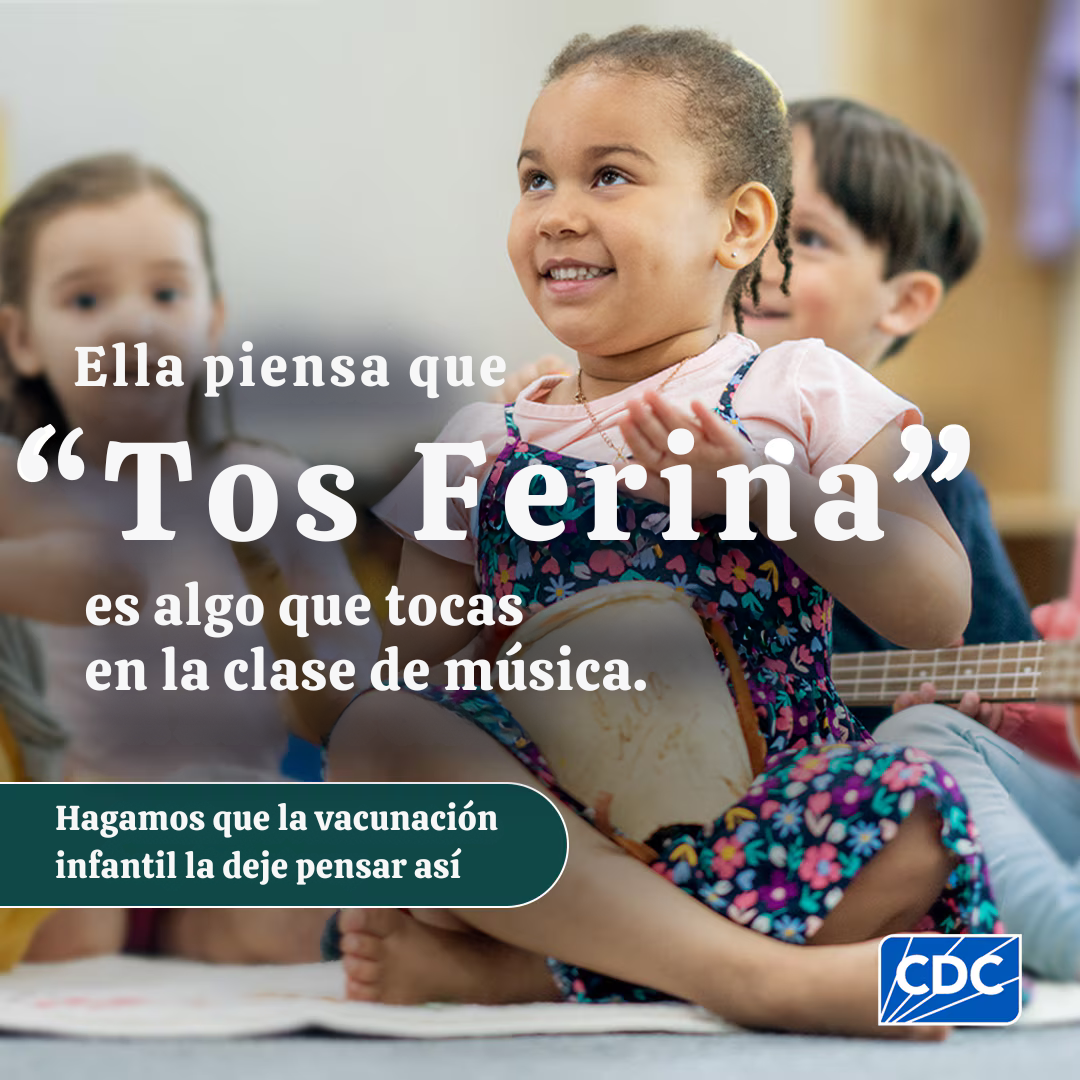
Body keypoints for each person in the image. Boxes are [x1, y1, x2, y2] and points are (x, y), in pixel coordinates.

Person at [322, 27, 1002, 1038]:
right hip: (557, 831)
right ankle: (758, 980)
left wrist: (767, 491)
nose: (557, 214)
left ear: (737, 227)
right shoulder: (484, 435)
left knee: (923, 819)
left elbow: (936, 609)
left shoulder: (800, 389)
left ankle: (537, 978)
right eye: (535, 179)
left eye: (608, 176)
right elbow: (419, 659)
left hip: (769, 818)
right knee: (376, 736)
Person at [0, 153, 379, 964]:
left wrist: (281, 609)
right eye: (87, 298)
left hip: (225, 829)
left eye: (166, 293)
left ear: (211, 321)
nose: (133, 323)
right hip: (62, 837)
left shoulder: (271, 486)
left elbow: (347, 722)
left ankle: (199, 938)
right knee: (66, 921)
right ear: (22, 338)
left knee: (307, 911)